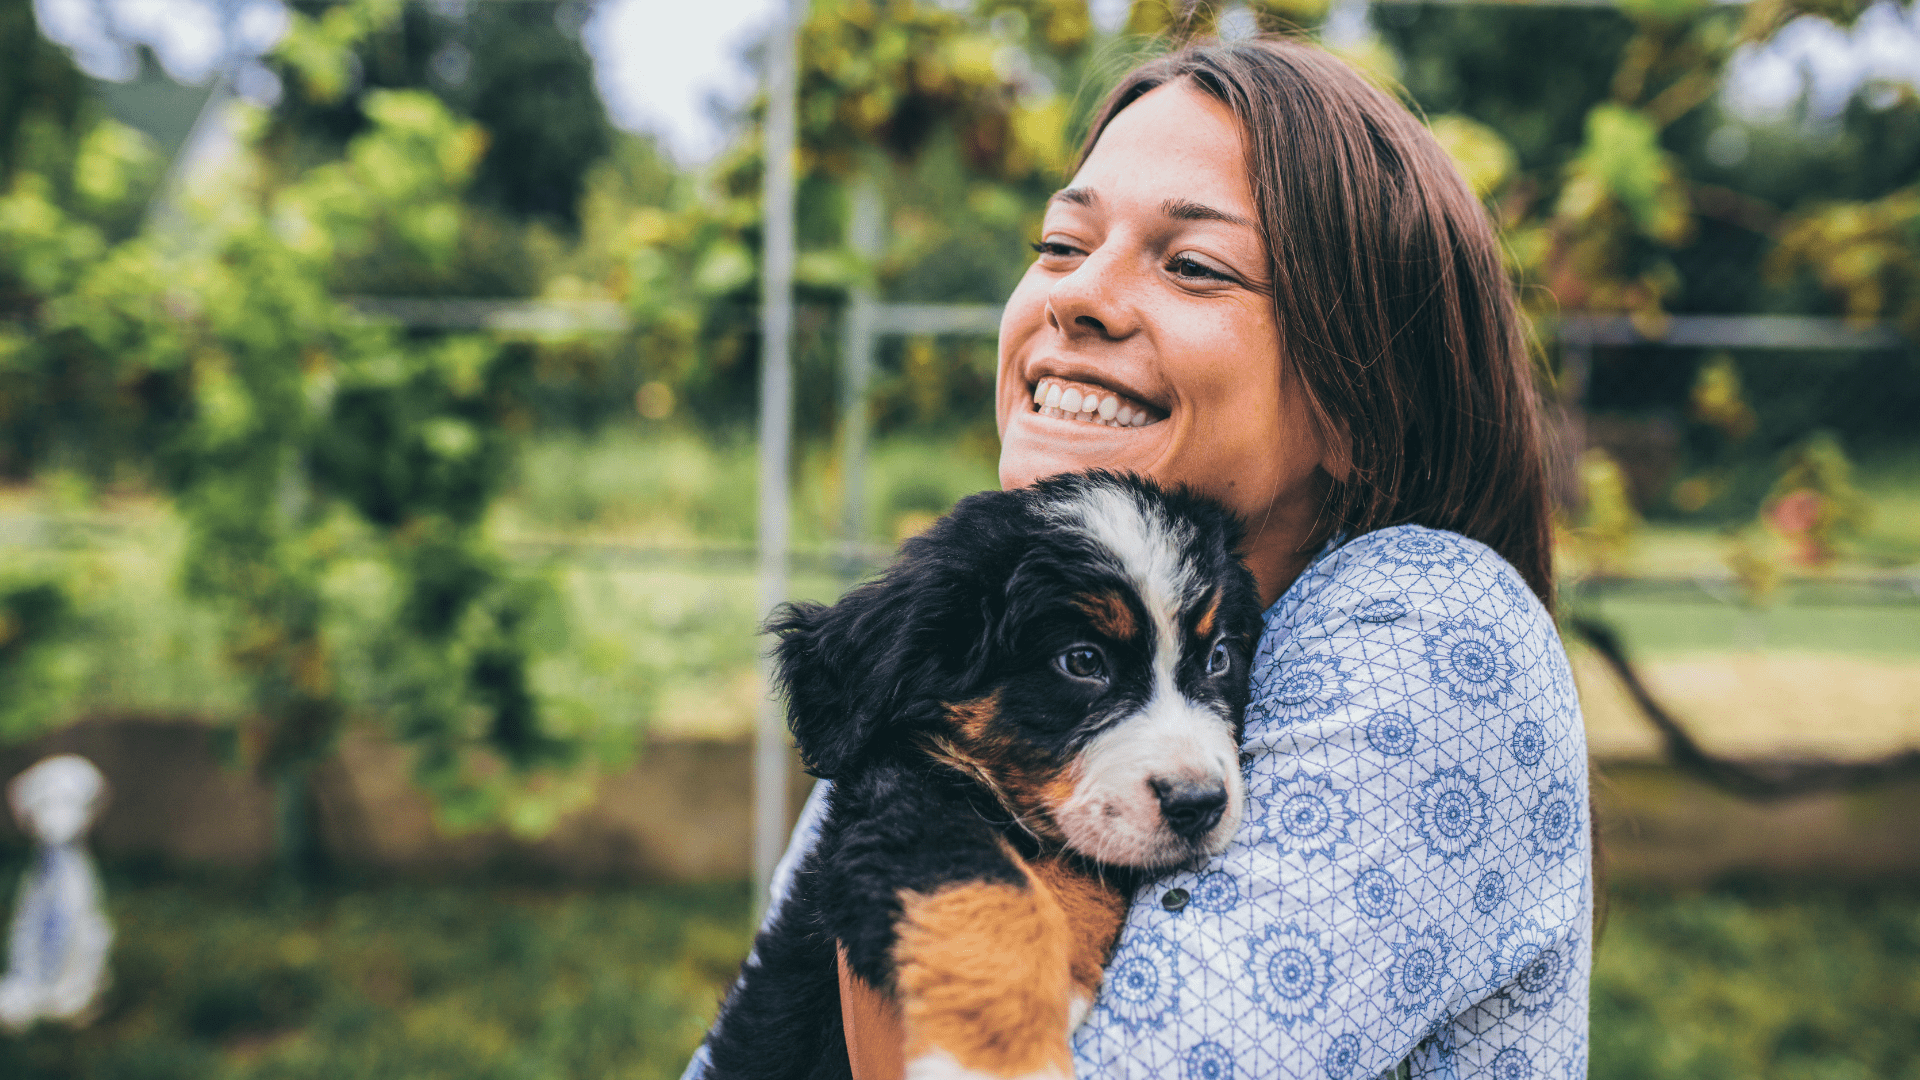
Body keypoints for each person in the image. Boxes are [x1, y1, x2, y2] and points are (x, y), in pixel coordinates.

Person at [688, 34, 1592, 1080]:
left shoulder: (1427, 625)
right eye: (1061, 244)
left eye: (1194, 263)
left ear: (1357, 401)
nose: (1077, 296)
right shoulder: (972, 669)